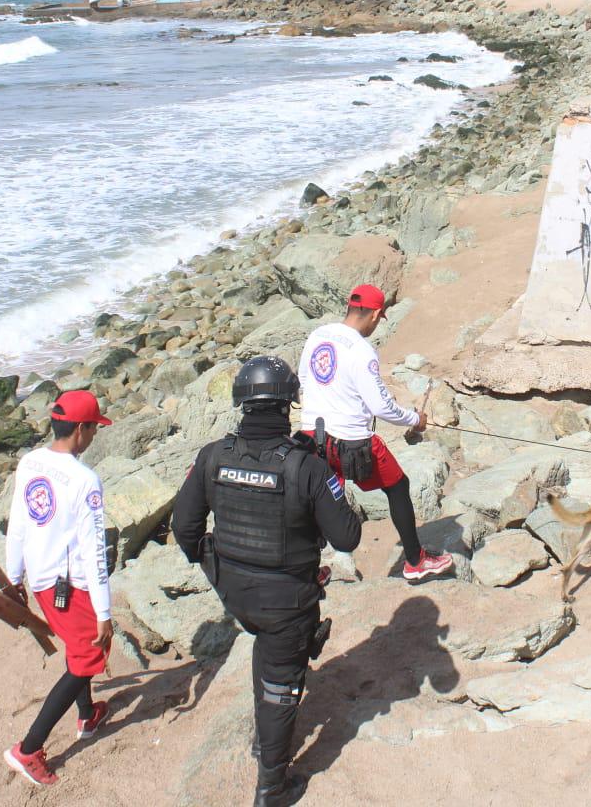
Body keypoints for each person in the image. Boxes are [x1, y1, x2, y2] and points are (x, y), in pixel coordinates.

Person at [174, 357, 361, 807]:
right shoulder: (306, 467)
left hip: (233, 589)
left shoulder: (213, 456)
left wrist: (216, 568)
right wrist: (329, 473)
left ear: (242, 405)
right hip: (286, 598)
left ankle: (267, 735)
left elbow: (184, 528)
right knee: (282, 682)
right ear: (287, 406)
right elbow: (347, 536)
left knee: (270, 647)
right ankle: (271, 786)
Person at [298, 284, 453, 583]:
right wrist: (414, 419)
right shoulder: (362, 350)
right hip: (351, 441)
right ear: (376, 314)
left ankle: (309, 569)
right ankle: (415, 560)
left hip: (311, 434)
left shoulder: (318, 335)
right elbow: (381, 406)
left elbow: (305, 378)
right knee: (398, 486)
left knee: (316, 499)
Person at [3, 390, 114, 787]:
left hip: (41, 578)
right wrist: (104, 611)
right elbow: (94, 551)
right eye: (94, 429)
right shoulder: (86, 480)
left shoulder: (30, 462)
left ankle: (87, 716)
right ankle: (29, 748)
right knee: (89, 654)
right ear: (80, 430)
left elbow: (17, 524)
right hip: (74, 584)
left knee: (75, 645)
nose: (95, 436)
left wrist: (13, 576)